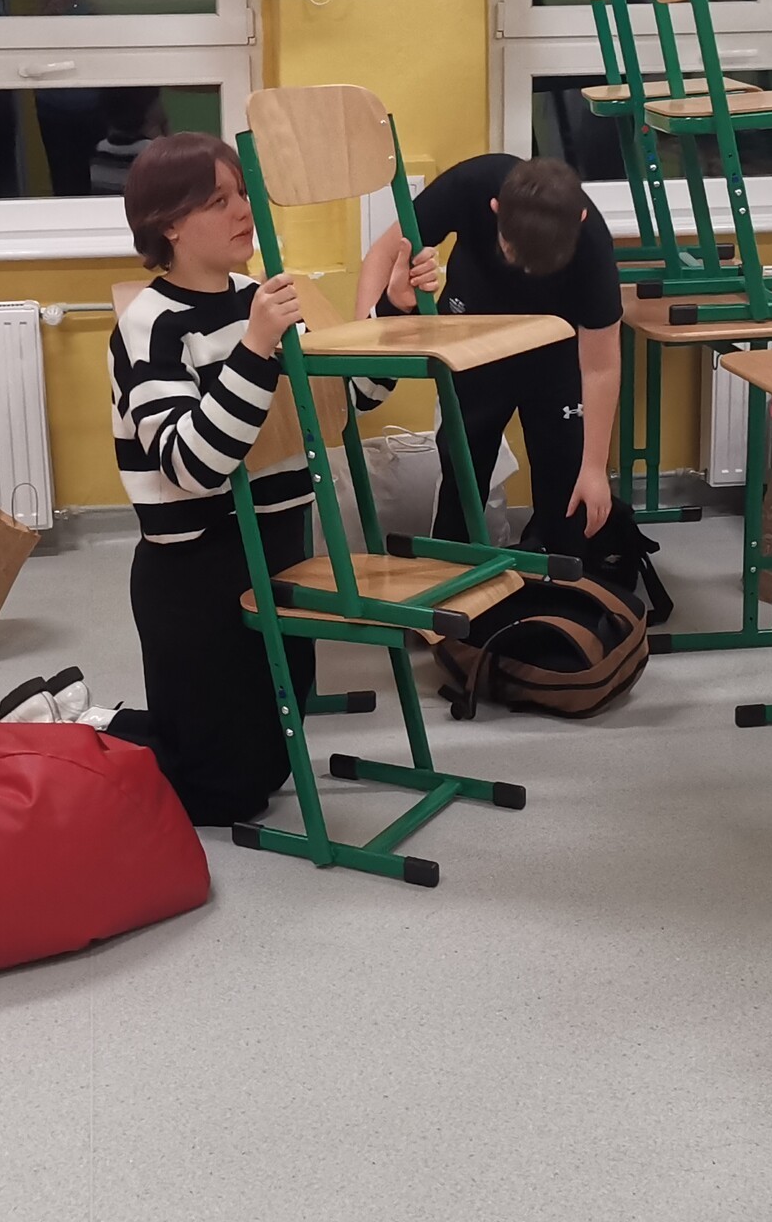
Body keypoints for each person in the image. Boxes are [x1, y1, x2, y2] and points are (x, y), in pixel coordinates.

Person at [104, 132, 326, 825]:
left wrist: (397, 314)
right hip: (198, 563)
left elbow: (345, 403)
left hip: (280, 539)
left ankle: (121, 730)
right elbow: (193, 466)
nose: (244, 212)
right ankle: (87, 728)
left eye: (244, 195)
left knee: (270, 755)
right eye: (218, 201)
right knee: (217, 792)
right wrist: (256, 347)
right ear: (169, 224)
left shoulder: (258, 296)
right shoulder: (150, 324)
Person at [354, 152, 621, 554]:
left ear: (579, 220)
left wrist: (595, 468)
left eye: (541, 265)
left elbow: (601, 366)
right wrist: (365, 341)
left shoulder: (593, 243)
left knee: (568, 501)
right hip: (473, 341)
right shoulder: (471, 185)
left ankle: (552, 577)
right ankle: (456, 575)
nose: (526, 272)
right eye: (515, 255)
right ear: (495, 209)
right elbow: (383, 253)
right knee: (462, 483)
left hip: (555, 352)